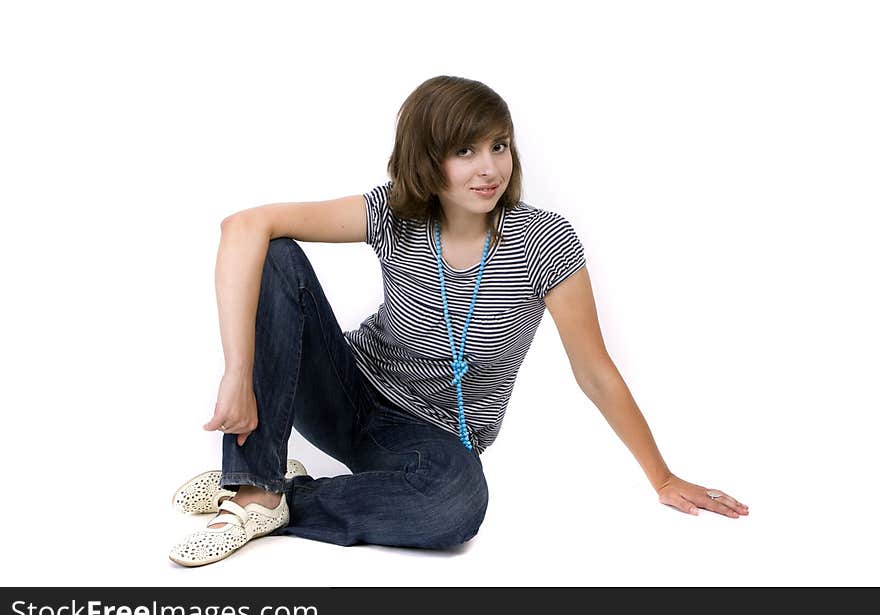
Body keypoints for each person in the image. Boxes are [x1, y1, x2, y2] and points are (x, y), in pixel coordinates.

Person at [168, 75, 749, 567]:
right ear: (428, 160)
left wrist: (663, 478)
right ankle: (253, 487)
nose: (489, 168)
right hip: (345, 389)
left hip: (433, 436)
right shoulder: (393, 212)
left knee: (456, 506)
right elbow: (244, 225)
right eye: (465, 151)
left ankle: (275, 492)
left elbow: (595, 371)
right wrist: (237, 376)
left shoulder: (546, 243)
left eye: (499, 146)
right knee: (276, 253)